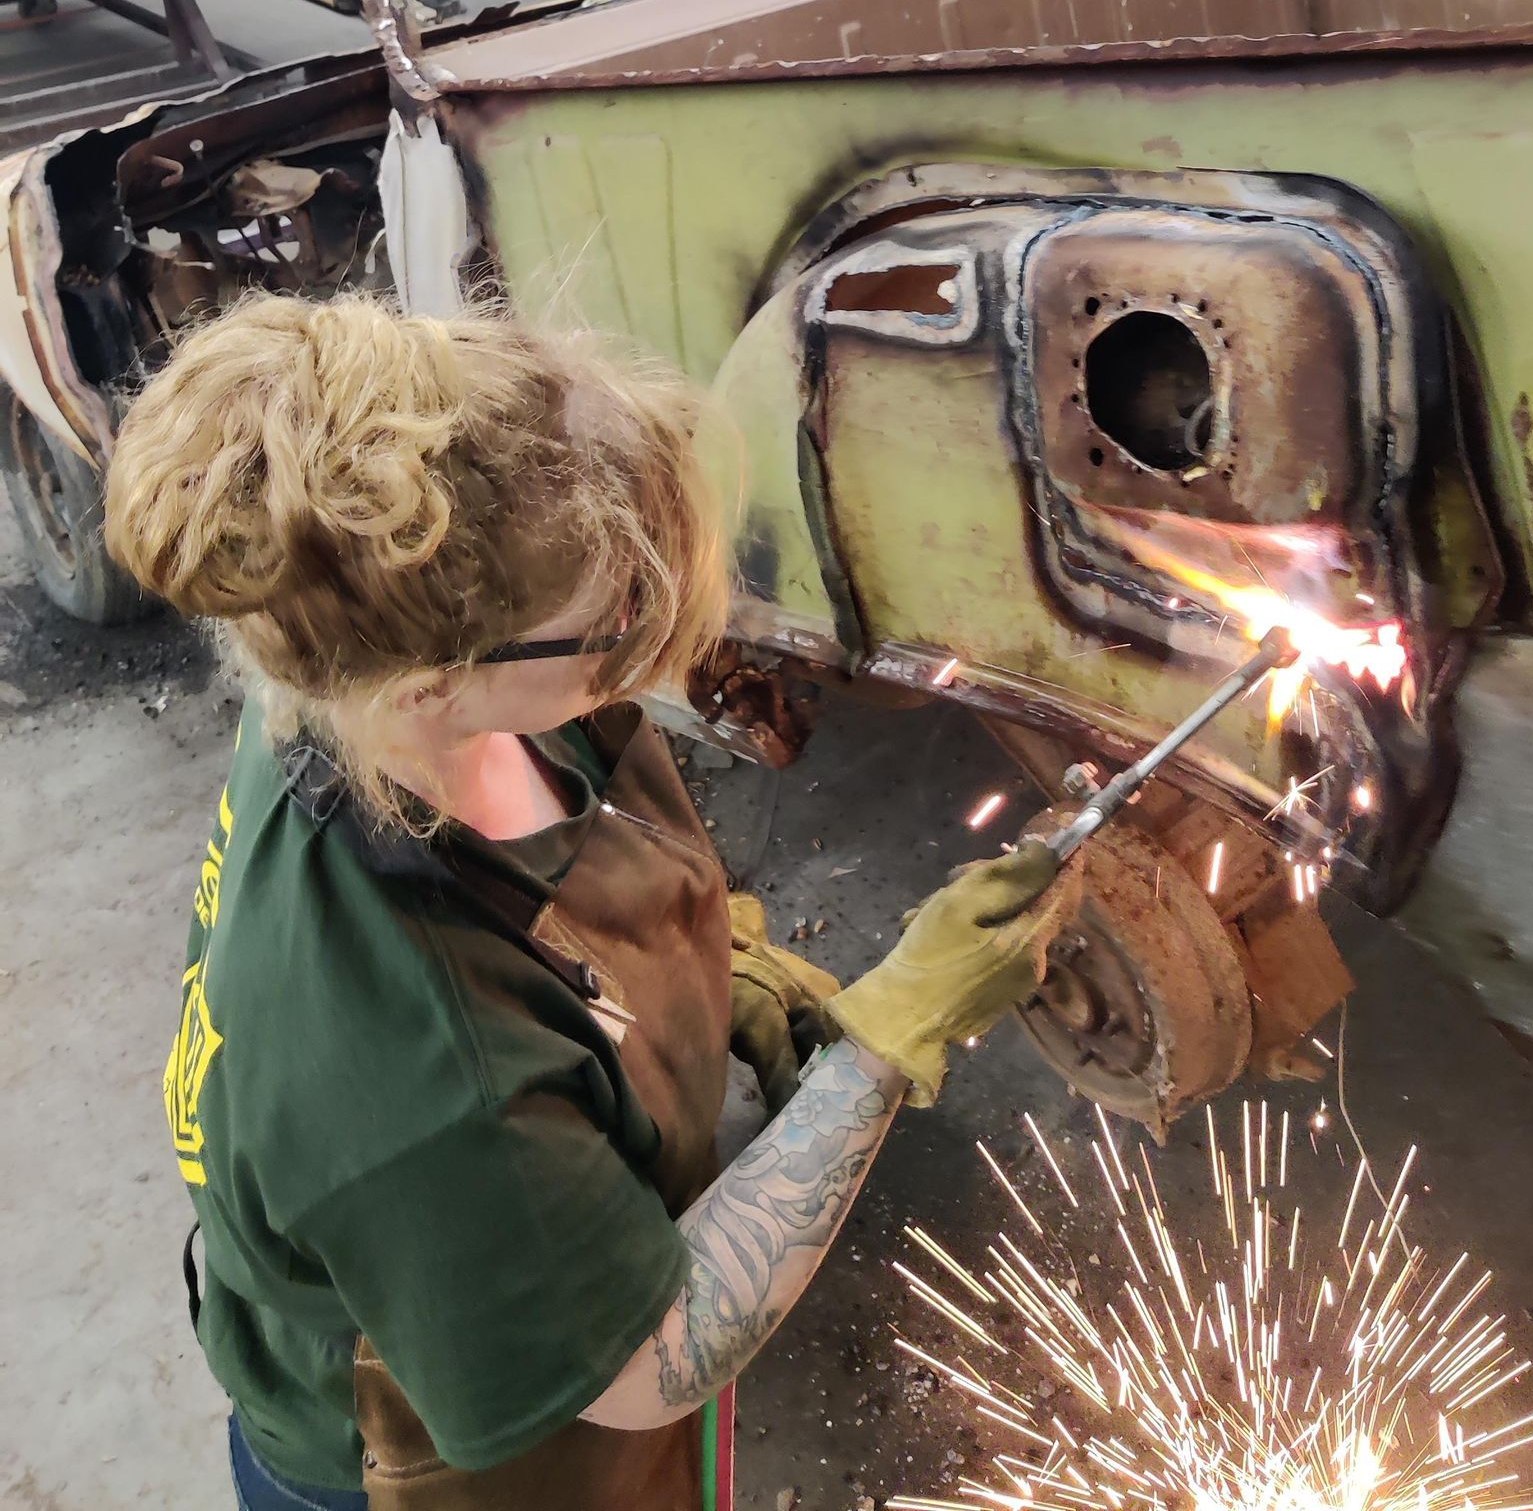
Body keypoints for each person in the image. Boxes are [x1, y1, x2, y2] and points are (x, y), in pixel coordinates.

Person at [105, 293, 1074, 1511]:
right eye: (608, 619)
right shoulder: (416, 1072)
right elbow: (651, 1360)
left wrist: (730, 972)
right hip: (418, 1457)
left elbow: (585, 857)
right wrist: (881, 1051)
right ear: (433, 690)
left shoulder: (331, 658)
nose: (649, 623)